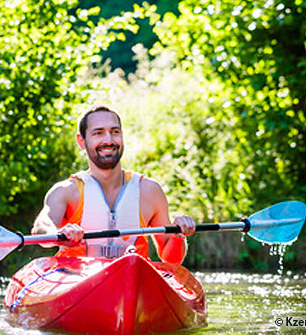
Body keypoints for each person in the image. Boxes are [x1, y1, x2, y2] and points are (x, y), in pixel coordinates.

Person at [32, 105, 196, 264]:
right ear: (81, 141)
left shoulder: (149, 190)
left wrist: (178, 235)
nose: (109, 140)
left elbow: (171, 259)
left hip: (132, 277)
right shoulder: (66, 191)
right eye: (98, 133)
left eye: (115, 132)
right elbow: (41, 228)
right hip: (77, 277)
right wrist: (59, 234)